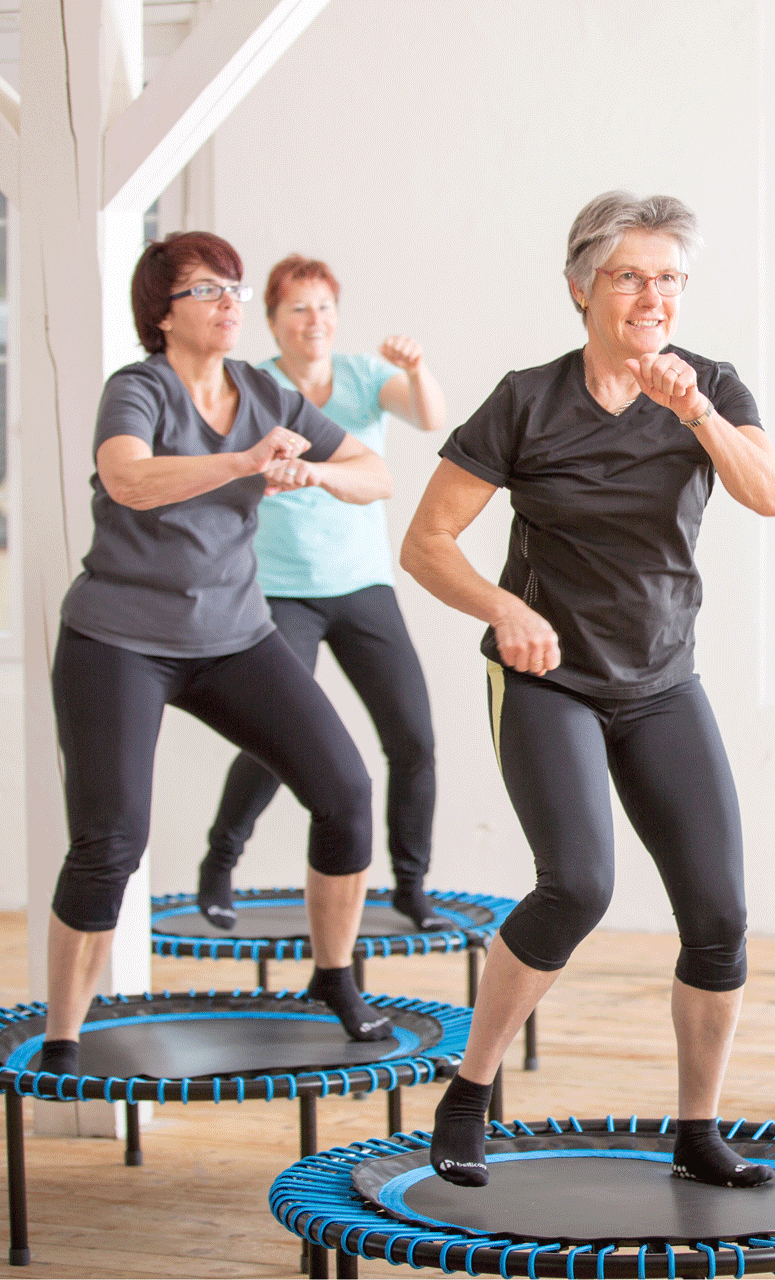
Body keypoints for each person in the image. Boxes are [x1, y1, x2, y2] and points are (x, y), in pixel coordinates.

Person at [401, 192, 775, 1189]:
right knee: (578, 882)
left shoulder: (713, 387)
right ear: (580, 287)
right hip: (548, 677)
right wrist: (501, 607)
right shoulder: (527, 399)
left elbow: (768, 493)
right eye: (629, 275)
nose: (651, 295)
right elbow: (427, 543)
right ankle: (471, 1085)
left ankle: (697, 1128)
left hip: (661, 681)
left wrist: (693, 405)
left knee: (720, 915)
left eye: (669, 278)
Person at [41, 232, 397, 1074]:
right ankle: (62, 1033)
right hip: (117, 642)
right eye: (208, 289)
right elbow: (127, 478)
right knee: (110, 844)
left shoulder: (262, 390)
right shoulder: (139, 389)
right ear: (162, 314)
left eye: (235, 287)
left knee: (345, 791)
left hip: (234, 637)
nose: (231, 301)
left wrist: (316, 474)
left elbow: (374, 471)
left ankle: (333, 977)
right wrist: (241, 459)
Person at [196, 254, 451, 934]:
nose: (315, 321)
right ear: (274, 323)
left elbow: (429, 417)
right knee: (277, 741)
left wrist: (417, 366)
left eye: (324, 308)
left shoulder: (366, 377)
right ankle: (219, 862)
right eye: (299, 309)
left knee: (414, 739)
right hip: (282, 592)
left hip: (362, 583)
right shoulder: (254, 389)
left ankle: (410, 884)